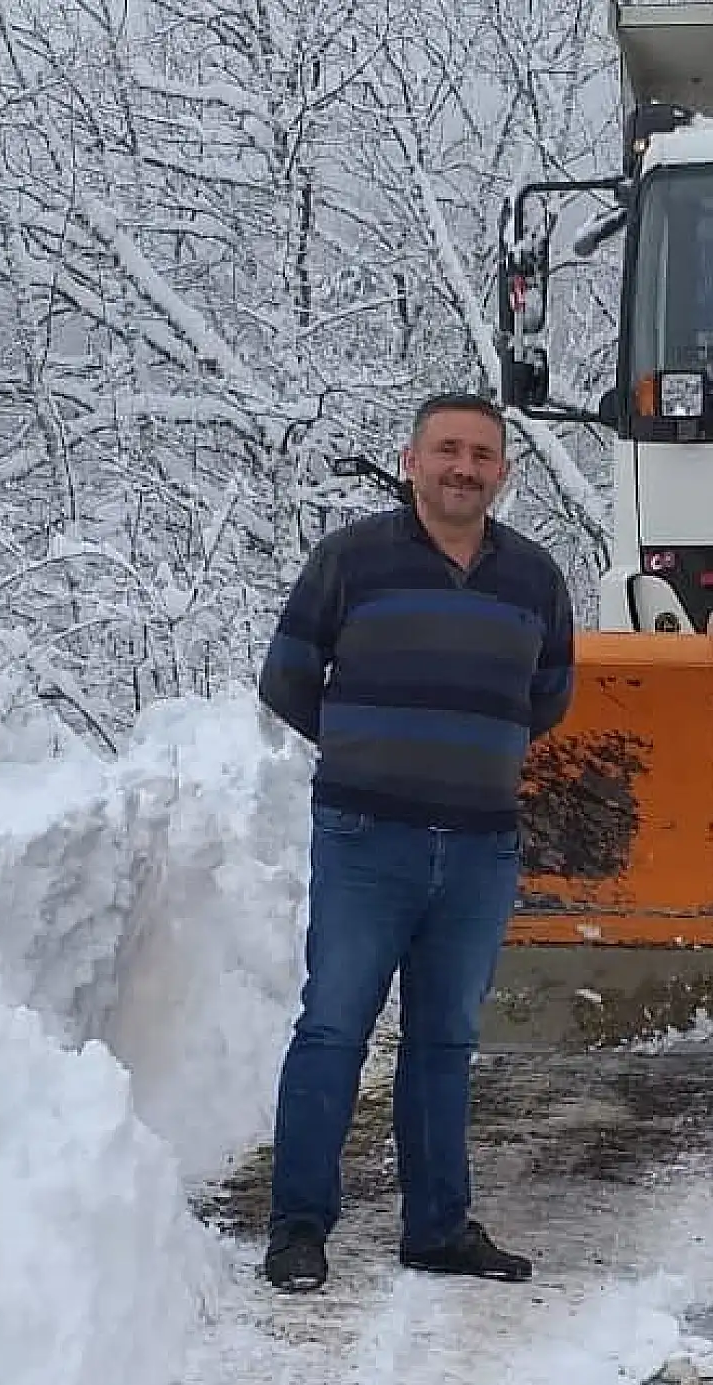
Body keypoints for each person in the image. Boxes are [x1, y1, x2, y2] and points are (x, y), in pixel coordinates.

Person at [256, 391, 575, 1292]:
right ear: (412, 461)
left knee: (444, 1040)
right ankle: (298, 1229)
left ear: (503, 472)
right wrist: (370, 750)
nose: (463, 468)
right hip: (367, 839)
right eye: (447, 450)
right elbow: (287, 679)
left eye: (481, 454)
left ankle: (436, 1228)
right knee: (333, 1027)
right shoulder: (351, 559)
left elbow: (548, 696)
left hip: (480, 848)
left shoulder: (534, 578)